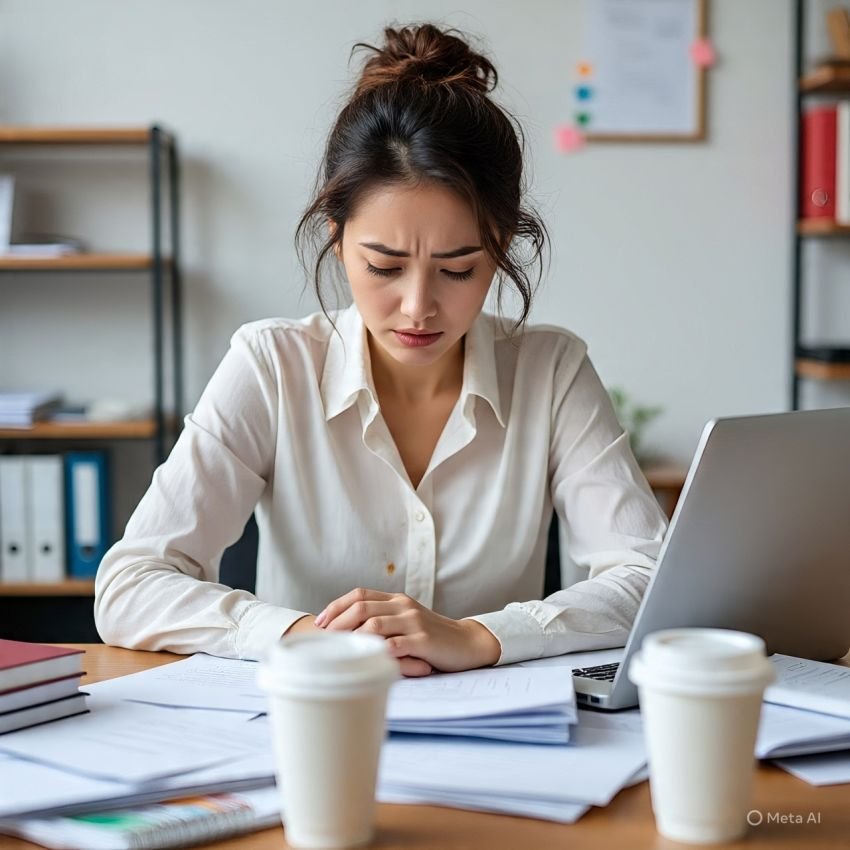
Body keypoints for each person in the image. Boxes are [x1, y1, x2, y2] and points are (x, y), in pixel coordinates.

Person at [94, 23, 668, 677]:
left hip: (501, 743)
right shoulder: (272, 364)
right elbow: (130, 585)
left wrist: (480, 637)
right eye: (386, 266)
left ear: (501, 246)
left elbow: (649, 576)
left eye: (457, 270)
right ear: (338, 239)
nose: (419, 306)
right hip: (308, 729)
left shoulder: (552, 370)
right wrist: (304, 634)